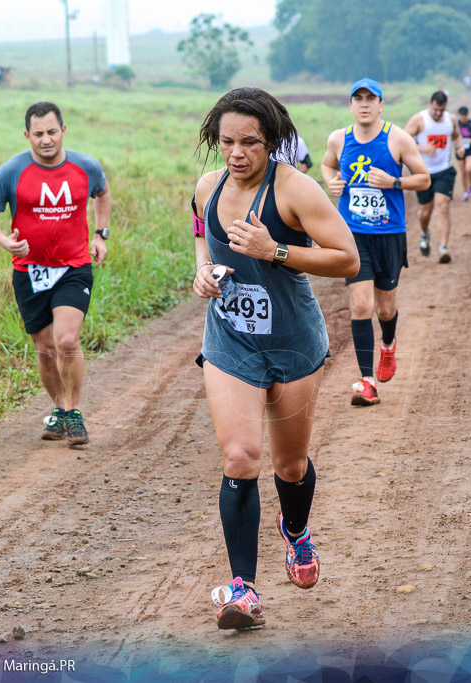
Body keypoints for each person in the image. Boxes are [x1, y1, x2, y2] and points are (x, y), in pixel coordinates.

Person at [191, 87, 359, 630]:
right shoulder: (207, 187)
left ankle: (296, 532)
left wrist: (275, 251)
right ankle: (242, 590)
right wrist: (203, 271)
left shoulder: (296, 190)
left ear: (273, 142)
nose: (236, 154)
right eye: (227, 142)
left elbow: (348, 259)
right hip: (230, 340)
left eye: (250, 143)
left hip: (291, 342)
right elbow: (202, 234)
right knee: (240, 458)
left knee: (289, 465)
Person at [0, 102, 111, 444]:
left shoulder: (86, 167)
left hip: (73, 266)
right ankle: (59, 409)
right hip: (30, 272)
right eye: (38, 134)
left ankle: (74, 411)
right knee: (45, 350)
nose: (46, 140)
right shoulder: (11, 172)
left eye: (52, 132)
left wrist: (100, 233)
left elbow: (102, 193)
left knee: (66, 340)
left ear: (63, 130)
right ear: (27, 135)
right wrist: (5, 242)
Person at [321, 78, 430, 407]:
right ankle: (367, 382)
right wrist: (332, 183)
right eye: (358, 98)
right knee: (362, 305)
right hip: (352, 235)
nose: (365, 104)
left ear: (381, 105)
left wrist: (394, 181)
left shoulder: (397, 138)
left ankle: (388, 344)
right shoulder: (338, 139)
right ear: (350, 106)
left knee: (385, 307)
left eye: (371, 98)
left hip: (389, 233)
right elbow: (327, 165)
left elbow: (424, 178)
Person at [405, 90, 464, 264]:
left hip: (444, 170)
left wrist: (460, 147)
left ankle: (443, 248)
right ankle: (424, 234)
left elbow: (457, 135)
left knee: (443, 205)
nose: (438, 114)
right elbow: (403, 140)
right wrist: (423, 149)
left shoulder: (450, 120)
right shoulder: (419, 119)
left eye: (441, 110)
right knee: (425, 211)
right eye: (435, 110)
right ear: (430, 103)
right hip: (423, 172)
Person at [456, 106, 471, 200]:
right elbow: (453, 136)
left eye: (465, 115)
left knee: (469, 169)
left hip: (470, 149)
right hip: (459, 150)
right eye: (462, 115)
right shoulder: (456, 124)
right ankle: (465, 192)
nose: (463, 117)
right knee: (463, 173)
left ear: (467, 115)